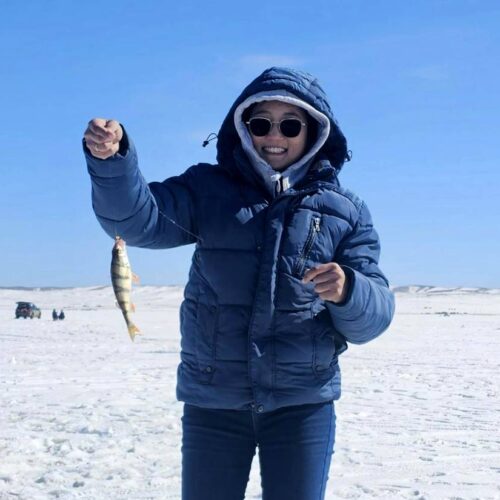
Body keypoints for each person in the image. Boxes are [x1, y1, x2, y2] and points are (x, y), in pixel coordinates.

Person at [83, 67, 395, 500]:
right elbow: (134, 221)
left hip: (302, 405)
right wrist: (112, 163)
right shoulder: (206, 190)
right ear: (243, 128)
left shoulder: (345, 212)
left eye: (290, 125)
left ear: (314, 132)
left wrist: (349, 291)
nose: (274, 136)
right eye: (261, 123)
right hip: (214, 402)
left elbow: (374, 318)